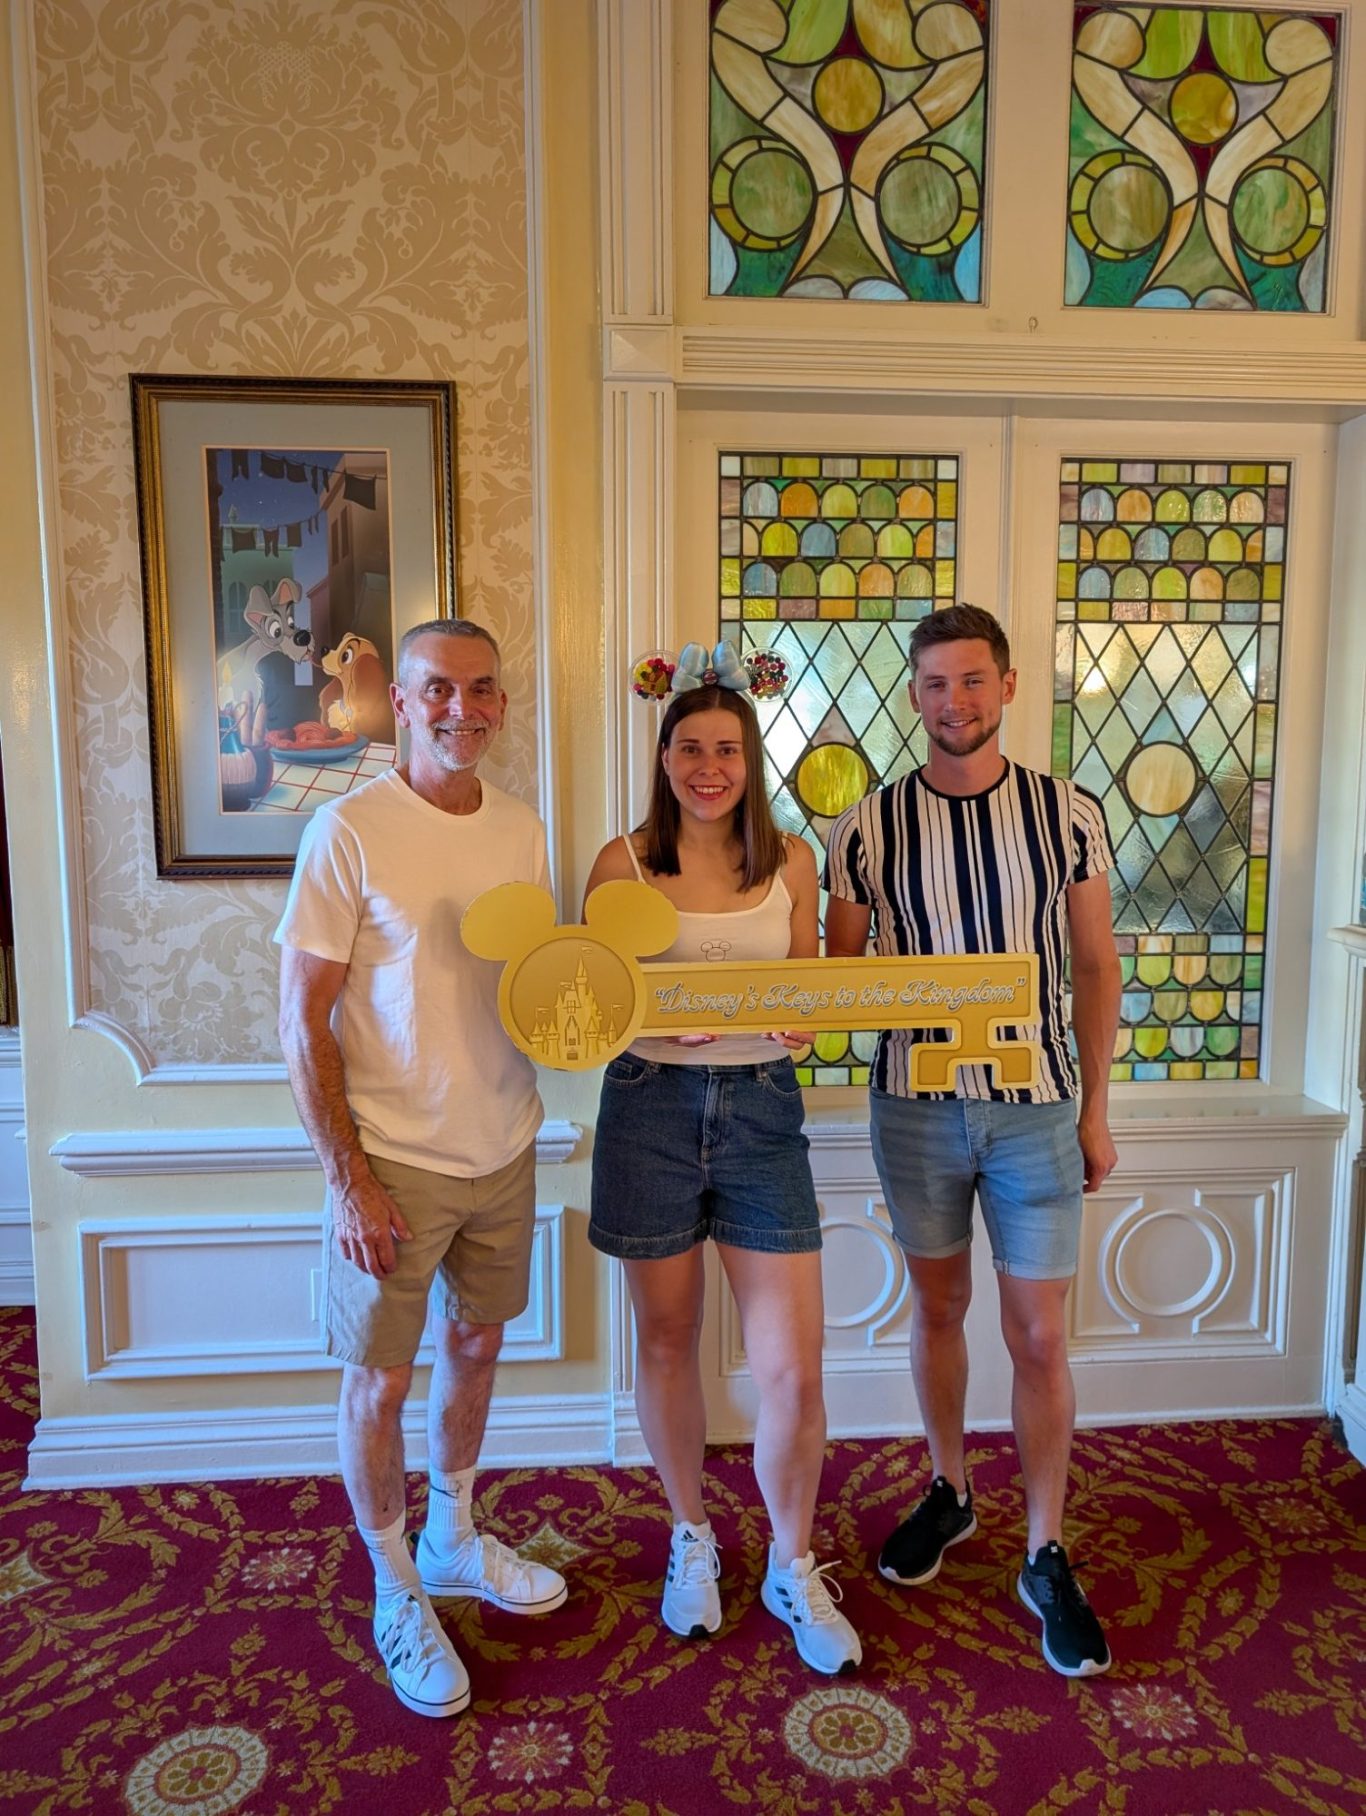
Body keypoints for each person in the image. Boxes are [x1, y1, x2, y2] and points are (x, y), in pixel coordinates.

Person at [824, 603, 1121, 1679]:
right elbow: (839, 980)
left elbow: (1094, 965)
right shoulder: (865, 827)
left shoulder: (1068, 812)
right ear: (915, 695)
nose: (956, 701)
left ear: (1007, 685)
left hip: (1036, 1105)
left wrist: (1095, 1108)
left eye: (973, 680)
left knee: (1039, 1336)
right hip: (915, 1106)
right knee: (938, 1308)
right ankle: (949, 1488)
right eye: (937, 684)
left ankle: (1046, 1549)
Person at [277, 619, 566, 1720]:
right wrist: (346, 1179)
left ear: (500, 704)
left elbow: (529, 985)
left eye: (481, 689)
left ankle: (452, 1536)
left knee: (477, 1345)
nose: (462, 708)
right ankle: (396, 1584)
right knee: (382, 1381)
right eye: (438, 688)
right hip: (391, 1161)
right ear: (399, 701)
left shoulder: (522, 829)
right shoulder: (348, 830)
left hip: (503, 1140)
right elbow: (302, 1019)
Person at [586, 649, 862, 1677]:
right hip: (647, 1108)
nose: (710, 767)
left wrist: (802, 1025)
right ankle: (691, 1534)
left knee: (793, 1365)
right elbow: (588, 1003)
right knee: (667, 1339)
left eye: (728, 750)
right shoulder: (618, 865)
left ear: (752, 760)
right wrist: (651, 1022)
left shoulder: (791, 862)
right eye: (691, 748)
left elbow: (812, 993)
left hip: (761, 1114)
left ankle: (792, 1562)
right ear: (663, 758)